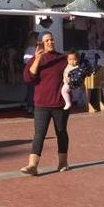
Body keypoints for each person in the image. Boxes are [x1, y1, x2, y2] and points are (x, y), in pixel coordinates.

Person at [20, 32, 70, 176]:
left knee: (61, 132)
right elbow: (28, 78)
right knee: (39, 134)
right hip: (41, 104)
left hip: (59, 103)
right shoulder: (36, 59)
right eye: (47, 40)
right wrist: (37, 59)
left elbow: (71, 74)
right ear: (40, 43)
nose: (50, 42)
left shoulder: (62, 58)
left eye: (52, 39)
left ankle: (62, 162)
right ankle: (32, 165)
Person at [22, 32, 39, 113]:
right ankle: (30, 106)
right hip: (32, 70)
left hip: (32, 70)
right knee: (31, 88)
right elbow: (27, 61)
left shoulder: (30, 48)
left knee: (31, 89)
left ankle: (29, 105)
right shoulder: (31, 49)